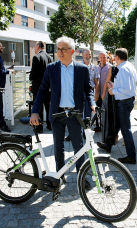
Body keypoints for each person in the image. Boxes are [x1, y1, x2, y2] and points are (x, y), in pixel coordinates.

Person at [30, 36, 95, 188]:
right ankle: (59, 177)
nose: (59, 52)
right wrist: (35, 111)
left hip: (75, 114)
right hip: (57, 114)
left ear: (72, 51)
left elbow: (88, 90)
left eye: (63, 49)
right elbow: (42, 91)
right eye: (58, 49)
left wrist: (92, 104)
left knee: (79, 148)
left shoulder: (82, 69)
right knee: (58, 148)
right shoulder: (51, 68)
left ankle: (82, 177)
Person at [97, 48, 137, 164]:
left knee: (126, 130)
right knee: (118, 125)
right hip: (126, 101)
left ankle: (131, 156)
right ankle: (108, 144)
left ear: (117, 57)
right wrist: (115, 85)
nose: (113, 59)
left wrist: (112, 90)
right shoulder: (128, 66)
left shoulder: (123, 69)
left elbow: (126, 88)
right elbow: (126, 85)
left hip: (124, 102)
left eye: (114, 57)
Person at [29, 41, 53, 133]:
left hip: (38, 87)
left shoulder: (36, 57)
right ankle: (50, 125)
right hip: (49, 87)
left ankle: (39, 127)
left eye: (35, 47)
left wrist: (30, 77)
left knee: (38, 107)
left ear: (38, 47)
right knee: (48, 107)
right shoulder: (50, 57)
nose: (34, 49)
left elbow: (33, 73)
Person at [95, 52, 111, 132]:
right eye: (101, 57)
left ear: (107, 58)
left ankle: (106, 126)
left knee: (106, 111)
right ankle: (98, 126)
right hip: (98, 93)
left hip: (107, 93)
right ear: (98, 58)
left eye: (104, 57)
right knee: (98, 110)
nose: (102, 59)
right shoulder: (96, 68)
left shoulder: (110, 67)